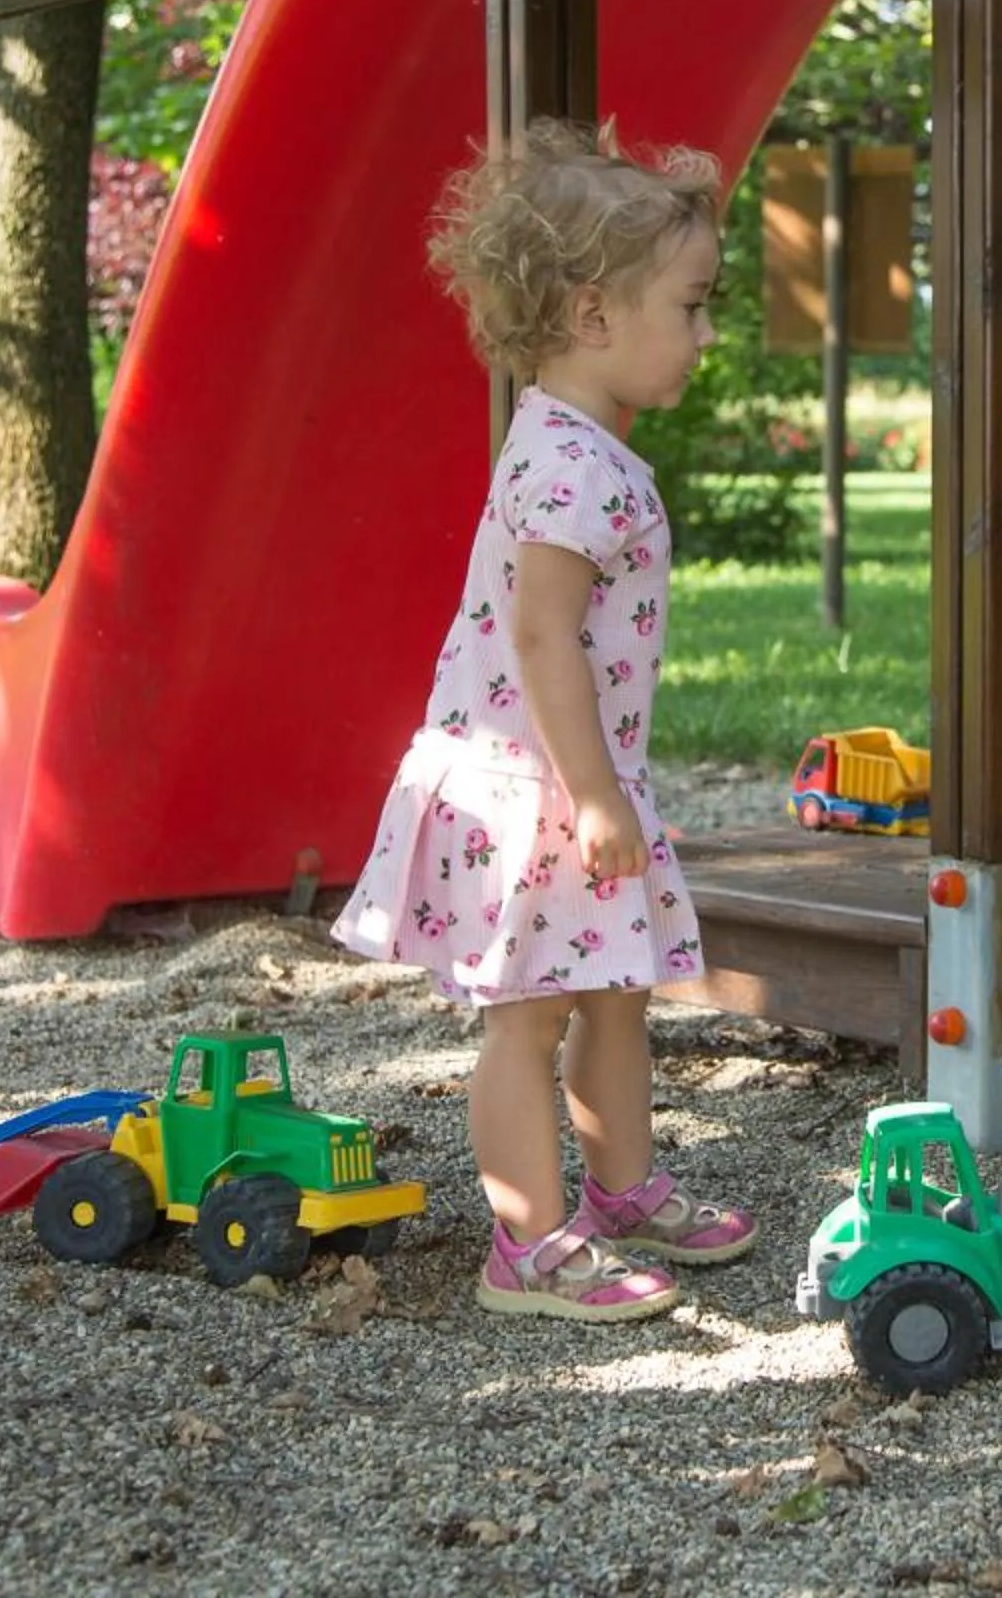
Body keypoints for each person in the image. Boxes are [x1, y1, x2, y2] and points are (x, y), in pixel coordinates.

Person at [334, 118, 755, 1322]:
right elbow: (541, 638)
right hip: (542, 789)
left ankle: (622, 1189)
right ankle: (525, 1242)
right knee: (527, 1020)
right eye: (691, 306)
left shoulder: (579, 448)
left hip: (572, 774)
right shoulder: (572, 468)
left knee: (614, 988)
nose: (706, 334)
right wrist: (597, 794)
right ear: (593, 314)